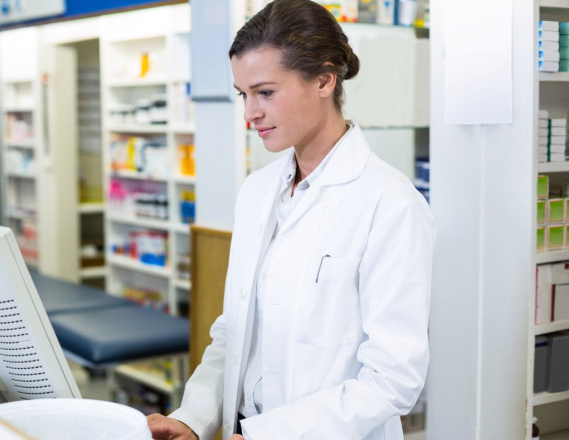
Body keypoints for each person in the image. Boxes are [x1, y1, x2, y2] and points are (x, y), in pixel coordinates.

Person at [147, 0, 435, 439]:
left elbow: (392, 379)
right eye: (244, 95)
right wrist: (194, 417)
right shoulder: (257, 192)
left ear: (324, 80)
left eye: (265, 92)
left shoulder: (390, 204)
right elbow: (233, 330)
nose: (250, 114)